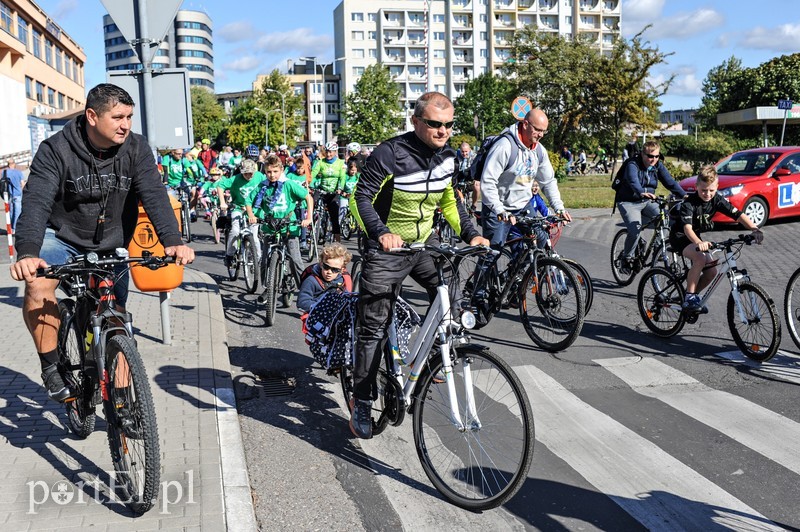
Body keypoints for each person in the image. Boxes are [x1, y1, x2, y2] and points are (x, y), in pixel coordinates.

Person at [9, 83, 195, 403]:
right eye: (118, 117)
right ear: (92, 116)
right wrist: (27, 252)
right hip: (62, 236)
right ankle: (52, 366)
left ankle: (125, 402)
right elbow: (36, 202)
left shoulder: (136, 148)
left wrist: (173, 241)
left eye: (130, 117)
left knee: (115, 316)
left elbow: (153, 195)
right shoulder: (56, 150)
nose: (126, 124)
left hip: (111, 241)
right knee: (38, 284)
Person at [349, 91, 489, 439]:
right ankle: (363, 400)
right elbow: (359, 198)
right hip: (386, 250)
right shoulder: (391, 153)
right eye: (435, 124)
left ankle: (432, 357)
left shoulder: (449, 158)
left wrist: (471, 234)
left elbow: (448, 201)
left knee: (450, 291)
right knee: (373, 328)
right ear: (416, 122)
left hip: (420, 247)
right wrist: (381, 233)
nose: (443, 131)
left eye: (449, 125)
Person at [669, 165, 763, 311]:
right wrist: (699, 243)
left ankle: (693, 295)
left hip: (695, 239)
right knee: (700, 258)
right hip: (680, 237)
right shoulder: (689, 203)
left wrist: (754, 229)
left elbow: (737, 214)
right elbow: (687, 228)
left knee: (711, 271)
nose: (707, 194)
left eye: (711, 190)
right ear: (696, 186)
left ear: (717, 187)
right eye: (703, 190)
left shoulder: (716, 199)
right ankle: (689, 297)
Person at [479, 107, 572, 254]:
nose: (541, 135)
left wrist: (559, 208)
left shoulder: (539, 151)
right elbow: (487, 181)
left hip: (523, 206)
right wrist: (499, 210)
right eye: (537, 130)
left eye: (544, 131)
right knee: (491, 255)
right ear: (526, 124)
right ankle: (483, 276)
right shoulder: (505, 146)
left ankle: (521, 273)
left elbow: (548, 181)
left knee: (541, 241)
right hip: (497, 208)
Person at [615, 140, 686, 273]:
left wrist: (685, 196)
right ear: (642, 154)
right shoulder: (632, 164)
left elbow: (670, 183)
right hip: (629, 201)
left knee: (664, 220)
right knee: (635, 230)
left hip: (647, 201)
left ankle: (657, 250)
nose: (653, 159)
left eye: (656, 156)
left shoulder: (657, 165)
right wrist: (641, 192)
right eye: (650, 156)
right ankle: (626, 257)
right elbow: (632, 180)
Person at [252, 154, 312, 280]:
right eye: (269, 172)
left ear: (281, 170)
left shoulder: (288, 184)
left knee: (295, 259)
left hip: (289, 226)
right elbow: (252, 201)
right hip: (270, 226)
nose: (272, 175)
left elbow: (308, 197)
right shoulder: (263, 185)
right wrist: (253, 215)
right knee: (264, 260)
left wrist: (309, 217)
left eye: (275, 171)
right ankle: (267, 288)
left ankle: (304, 290)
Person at [216, 158, 265, 268]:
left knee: (255, 235)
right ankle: (229, 255)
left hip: (254, 210)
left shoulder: (260, 176)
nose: (249, 176)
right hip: (238, 208)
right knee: (235, 231)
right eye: (246, 174)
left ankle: (258, 259)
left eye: (251, 173)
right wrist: (223, 202)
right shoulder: (235, 179)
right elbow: (220, 186)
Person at [296, 242, 352, 315]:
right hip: (315, 318)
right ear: (321, 263)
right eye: (326, 267)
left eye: (335, 270)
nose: (329, 272)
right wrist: (323, 307)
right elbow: (302, 302)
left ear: (342, 269)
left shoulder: (342, 280)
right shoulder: (311, 280)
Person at [310, 142, 346, 242]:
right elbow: (313, 173)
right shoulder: (320, 162)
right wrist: (307, 182)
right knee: (311, 203)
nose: (328, 154)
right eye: (327, 152)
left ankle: (338, 242)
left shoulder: (341, 163)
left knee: (334, 217)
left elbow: (342, 177)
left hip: (334, 192)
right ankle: (312, 226)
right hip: (322, 190)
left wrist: (340, 188)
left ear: (335, 152)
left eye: (331, 152)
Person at [2, 158, 26, 231]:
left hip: (8, 195)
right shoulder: (19, 172)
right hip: (18, 194)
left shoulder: (4, 172)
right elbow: (22, 184)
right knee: (17, 211)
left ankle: (10, 228)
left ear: (8, 164)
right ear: (14, 164)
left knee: (10, 211)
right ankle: (15, 228)